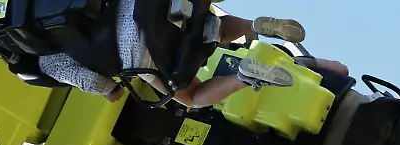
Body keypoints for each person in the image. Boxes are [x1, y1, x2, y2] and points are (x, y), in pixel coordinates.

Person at [39, 0, 308, 107]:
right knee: (211, 24)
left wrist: (111, 92)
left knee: (190, 96)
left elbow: (96, 82)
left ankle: (245, 77)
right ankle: (253, 25)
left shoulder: (44, 54)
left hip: (138, 51)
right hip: (151, 4)